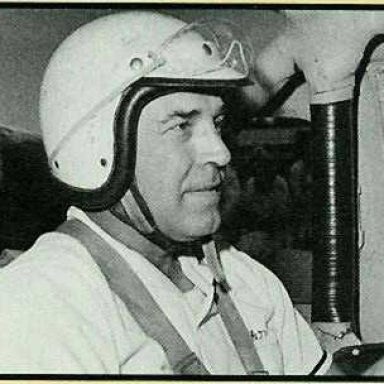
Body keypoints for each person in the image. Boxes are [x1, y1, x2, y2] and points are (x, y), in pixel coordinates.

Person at [0, 11, 332, 375]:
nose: (221, 153)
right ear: (100, 147)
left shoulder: (244, 277)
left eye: (217, 124)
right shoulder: (41, 305)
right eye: (181, 125)